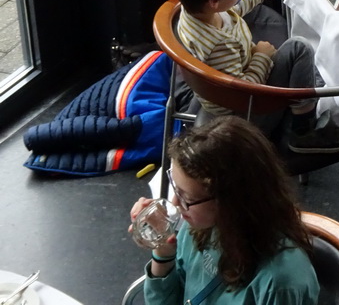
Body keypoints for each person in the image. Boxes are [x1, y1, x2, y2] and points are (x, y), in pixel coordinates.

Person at [164, 0, 339, 154]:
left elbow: (230, 11)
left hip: (216, 97)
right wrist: (261, 56)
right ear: (214, 0)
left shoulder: (193, 13)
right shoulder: (219, 46)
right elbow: (243, 90)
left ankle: (308, 94)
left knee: (303, 67)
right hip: (247, 113)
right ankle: (303, 129)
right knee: (299, 48)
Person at [129, 117, 320, 304]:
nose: (175, 202)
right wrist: (163, 252)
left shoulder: (281, 283)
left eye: (188, 198)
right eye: (175, 189)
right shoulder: (197, 229)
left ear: (231, 202)